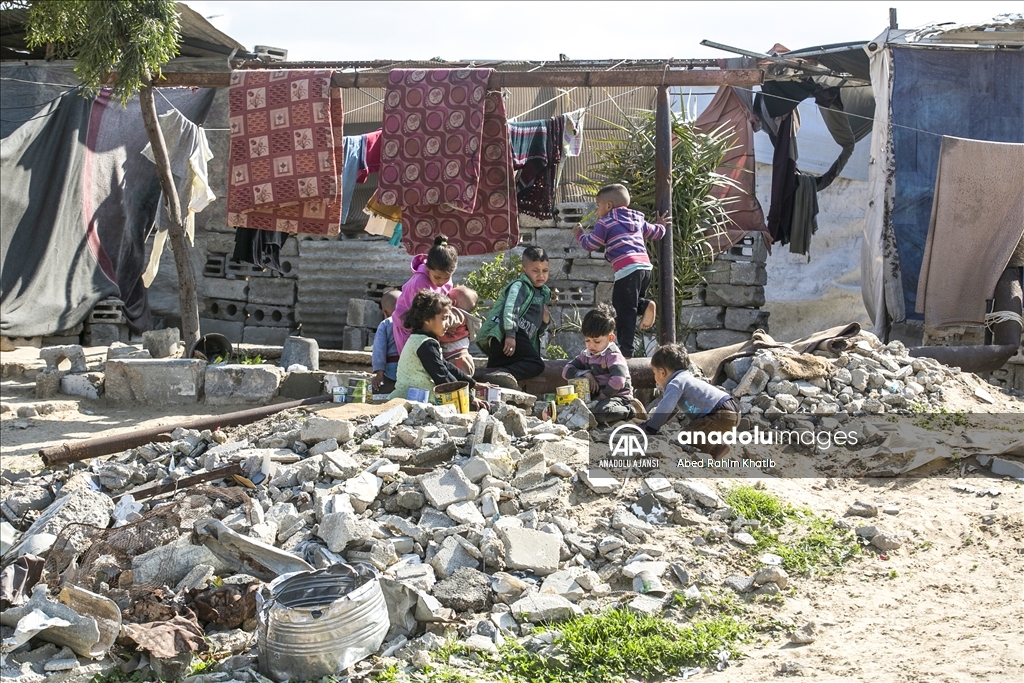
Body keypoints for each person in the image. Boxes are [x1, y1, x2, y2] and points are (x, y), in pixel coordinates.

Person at [572, 183, 669, 357]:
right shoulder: (637, 218)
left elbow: (590, 244)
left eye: (598, 206)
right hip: (645, 268)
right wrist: (661, 224)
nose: (597, 210)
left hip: (627, 270)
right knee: (629, 304)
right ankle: (645, 304)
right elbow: (656, 233)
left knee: (623, 311)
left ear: (608, 206)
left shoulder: (605, 222)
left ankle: (626, 352)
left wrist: (579, 233)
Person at [388, 290, 487, 410]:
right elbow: (442, 376)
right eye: (444, 318)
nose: (447, 324)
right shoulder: (426, 344)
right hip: (415, 401)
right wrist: (469, 398)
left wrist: (472, 383)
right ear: (427, 319)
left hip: (410, 396)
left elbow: (446, 366)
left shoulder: (421, 340)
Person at [641, 343, 740, 458]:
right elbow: (671, 410)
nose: (654, 377)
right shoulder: (686, 378)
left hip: (720, 413)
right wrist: (653, 423)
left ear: (662, 372)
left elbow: (666, 407)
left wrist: (650, 428)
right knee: (698, 429)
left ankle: (717, 447)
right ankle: (717, 443)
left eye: (654, 373)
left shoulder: (675, 382)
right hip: (730, 411)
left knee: (685, 435)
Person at [476, 246, 551, 389]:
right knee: (536, 364)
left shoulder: (541, 294)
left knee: (494, 373)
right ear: (524, 270)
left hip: (515, 342)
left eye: (545, 271)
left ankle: (494, 385)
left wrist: (544, 323)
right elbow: (510, 308)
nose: (541, 275)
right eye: (535, 271)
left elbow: (534, 330)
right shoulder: (520, 286)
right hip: (506, 336)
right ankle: (504, 375)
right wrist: (511, 334)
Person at [562, 303, 645, 425]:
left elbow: (618, 381)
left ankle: (632, 410)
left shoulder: (613, 355)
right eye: (587, 340)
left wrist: (601, 397)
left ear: (610, 338)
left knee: (600, 413)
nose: (591, 345)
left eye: (597, 341)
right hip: (599, 399)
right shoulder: (586, 354)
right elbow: (566, 371)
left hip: (618, 398)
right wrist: (586, 373)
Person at [392, 236, 459, 353]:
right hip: (408, 327)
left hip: (430, 324)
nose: (441, 282)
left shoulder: (447, 280)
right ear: (428, 268)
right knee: (412, 360)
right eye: (437, 277)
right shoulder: (420, 282)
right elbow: (418, 315)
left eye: (446, 278)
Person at [440, 285, 481, 376]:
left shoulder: (457, 314)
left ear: (453, 303)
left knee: (460, 384)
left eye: (447, 296)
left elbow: (450, 320)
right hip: (454, 356)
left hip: (458, 358)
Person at [370, 289, 400, 394]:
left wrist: (379, 374)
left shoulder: (386, 324)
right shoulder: (411, 323)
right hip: (408, 369)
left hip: (391, 369)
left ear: (384, 312)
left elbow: (379, 349)